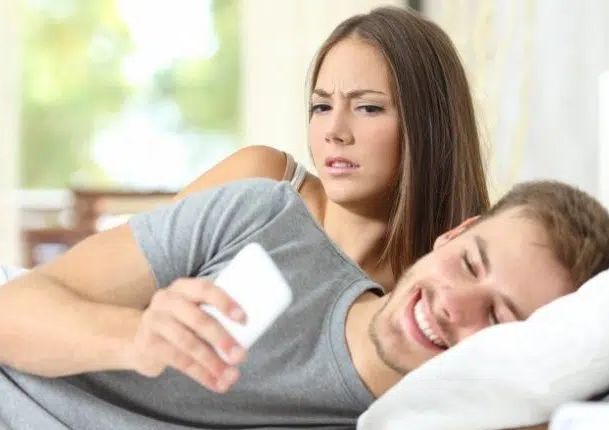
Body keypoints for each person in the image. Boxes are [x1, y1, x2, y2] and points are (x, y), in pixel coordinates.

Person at [0, 178, 609, 430]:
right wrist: (133, 337)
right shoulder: (267, 223)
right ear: (452, 234)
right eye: (469, 262)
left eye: (499, 317)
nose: (454, 304)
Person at [171, 6, 489, 292]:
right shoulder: (260, 179)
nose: (334, 132)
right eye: (321, 107)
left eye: (368, 108)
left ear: (430, 126)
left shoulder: (425, 300)